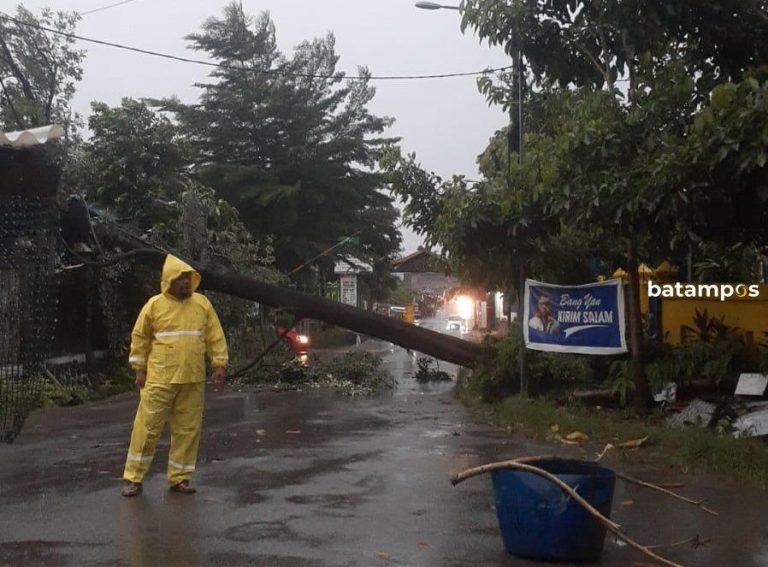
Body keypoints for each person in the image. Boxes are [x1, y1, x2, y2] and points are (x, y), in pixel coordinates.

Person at [121, 254, 228, 497]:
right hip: (160, 378)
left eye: (188, 279)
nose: (185, 283)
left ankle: (180, 478)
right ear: (168, 280)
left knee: (188, 430)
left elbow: (215, 335)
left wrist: (219, 363)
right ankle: (134, 479)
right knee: (147, 429)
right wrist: (139, 369)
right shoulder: (154, 305)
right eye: (180, 279)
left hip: (192, 377)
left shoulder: (202, 304)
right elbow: (140, 338)